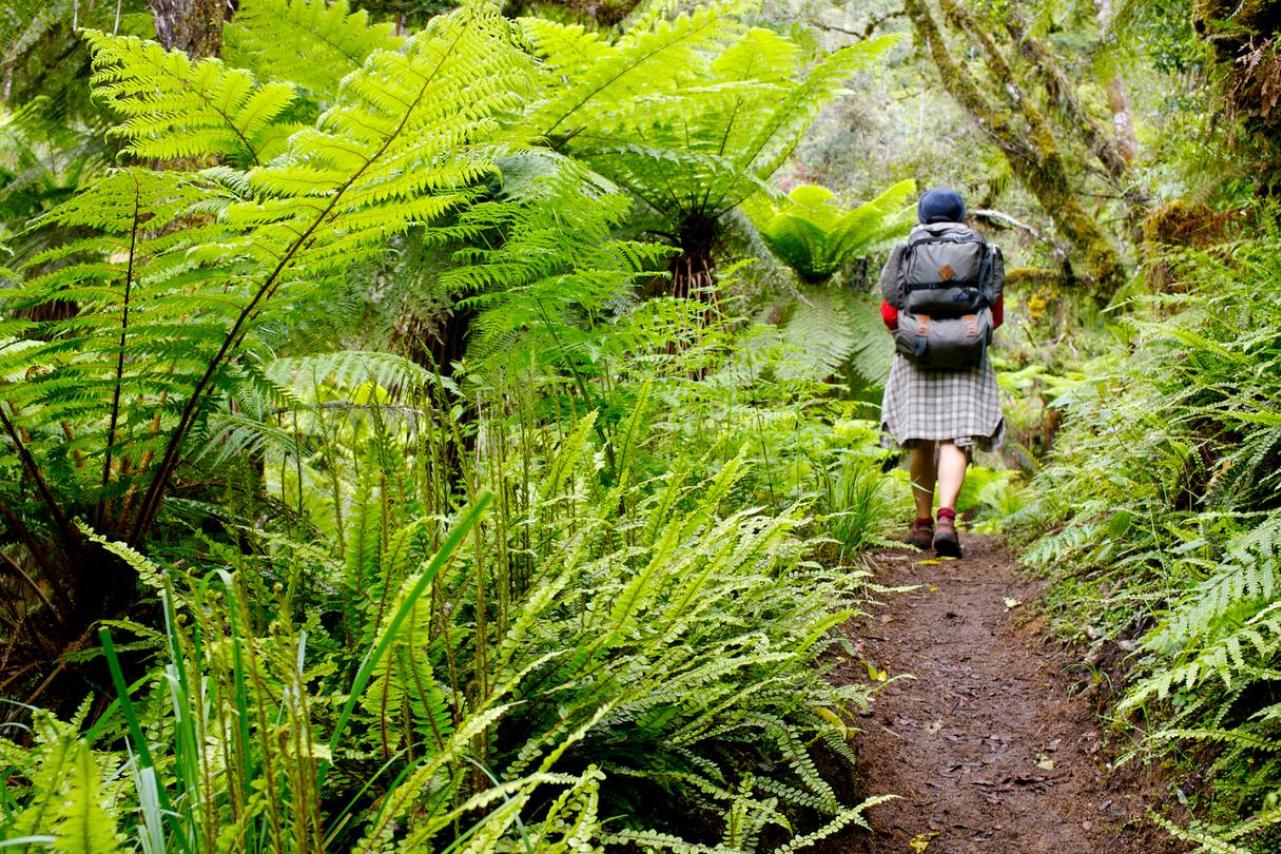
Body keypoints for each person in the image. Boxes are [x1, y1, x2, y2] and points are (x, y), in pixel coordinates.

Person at [878, 188, 1005, 558]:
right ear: (961, 215)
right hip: (966, 353)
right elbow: (993, 315)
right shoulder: (980, 249)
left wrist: (919, 332)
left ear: (921, 215)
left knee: (919, 438)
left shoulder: (906, 248)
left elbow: (889, 312)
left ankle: (921, 524)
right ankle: (946, 518)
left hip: (917, 352)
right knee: (955, 437)